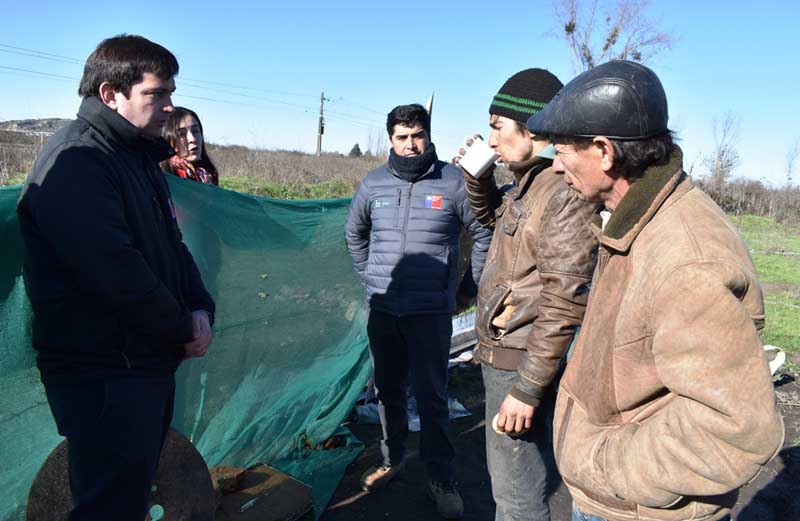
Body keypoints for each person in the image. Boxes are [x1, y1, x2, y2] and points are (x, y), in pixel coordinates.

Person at [525, 60, 784, 521]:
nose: (557, 167)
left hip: (636, 510)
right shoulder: (636, 221)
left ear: (604, 151)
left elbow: (734, 430)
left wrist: (604, 465)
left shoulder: (686, 258)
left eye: (562, 152)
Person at [17, 35, 215, 521]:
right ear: (111, 94)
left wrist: (200, 308)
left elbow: (172, 246)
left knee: (129, 498)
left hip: (141, 362)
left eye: (171, 93)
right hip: (104, 372)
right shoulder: (80, 161)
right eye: (157, 94)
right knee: (109, 507)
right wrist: (179, 325)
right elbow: (114, 271)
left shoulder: (137, 156)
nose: (170, 107)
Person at [456, 69, 599, 521]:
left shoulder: (560, 193)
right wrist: (478, 179)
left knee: (517, 500)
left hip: (522, 359)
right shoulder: (530, 183)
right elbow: (496, 222)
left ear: (532, 128)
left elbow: (564, 300)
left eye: (498, 126)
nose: (492, 139)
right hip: (512, 355)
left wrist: (528, 386)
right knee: (516, 490)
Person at [345, 103, 493, 519]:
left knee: (431, 399)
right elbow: (354, 233)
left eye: (417, 136)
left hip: (430, 313)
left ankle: (441, 478)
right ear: (390, 139)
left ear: (428, 135)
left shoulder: (454, 182)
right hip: (385, 311)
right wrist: (370, 279)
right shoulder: (373, 184)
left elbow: (483, 234)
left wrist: (466, 289)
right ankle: (391, 461)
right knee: (388, 392)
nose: (410, 145)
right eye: (401, 137)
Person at [161, 106, 219, 185]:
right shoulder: (163, 177)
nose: (192, 139)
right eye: (181, 134)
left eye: (195, 131)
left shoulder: (207, 174)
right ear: (168, 140)